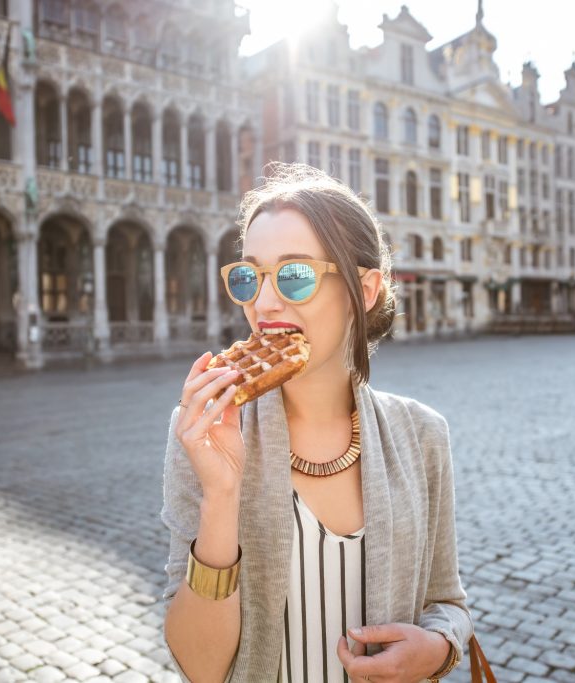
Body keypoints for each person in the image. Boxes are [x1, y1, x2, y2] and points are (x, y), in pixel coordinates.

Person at [160, 163, 475, 682]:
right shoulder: (202, 435)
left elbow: (447, 601)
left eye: (296, 275)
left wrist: (440, 648)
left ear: (365, 290)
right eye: (248, 276)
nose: (263, 303)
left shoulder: (422, 435)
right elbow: (199, 666)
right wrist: (221, 493)